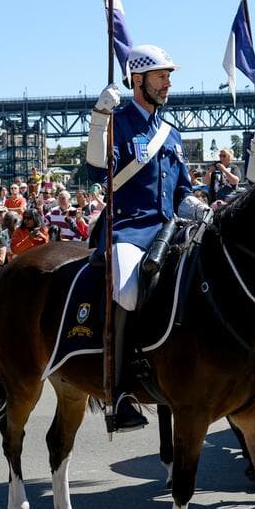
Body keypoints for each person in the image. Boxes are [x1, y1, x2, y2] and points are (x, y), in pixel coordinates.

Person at [85, 43, 194, 431]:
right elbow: (98, 172)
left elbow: (182, 190)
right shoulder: (118, 122)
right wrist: (100, 117)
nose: (167, 83)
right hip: (129, 227)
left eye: (168, 76)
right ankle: (119, 389)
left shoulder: (172, 133)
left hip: (170, 230)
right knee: (129, 289)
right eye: (161, 76)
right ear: (138, 80)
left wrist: (198, 206)